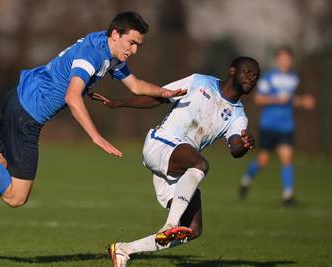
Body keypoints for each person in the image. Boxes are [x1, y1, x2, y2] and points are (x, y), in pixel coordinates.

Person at [0, 12, 186, 220]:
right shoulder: (93, 55)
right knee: (15, 197)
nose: (135, 50)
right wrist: (96, 137)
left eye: (139, 45)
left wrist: (166, 92)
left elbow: (137, 85)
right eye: (132, 43)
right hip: (28, 115)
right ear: (115, 34)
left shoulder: (109, 52)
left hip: (18, 100)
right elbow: (72, 96)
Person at [91, 57, 260, 267]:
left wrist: (244, 144)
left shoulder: (238, 115)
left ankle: (124, 250)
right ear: (232, 70)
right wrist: (119, 103)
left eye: (256, 76)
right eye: (247, 72)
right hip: (161, 144)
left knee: (193, 229)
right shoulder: (199, 82)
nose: (251, 78)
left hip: (181, 167)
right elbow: (160, 97)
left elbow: (235, 148)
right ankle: (169, 224)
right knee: (200, 164)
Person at [239, 47, 315, 205]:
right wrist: (277, 99)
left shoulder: (294, 78)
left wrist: (302, 102)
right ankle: (246, 179)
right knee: (263, 159)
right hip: (269, 125)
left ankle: (288, 195)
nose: (285, 61)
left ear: (291, 60)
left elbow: (290, 99)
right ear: (278, 60)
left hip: (287, 126)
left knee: (287, 158)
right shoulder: (269, 77)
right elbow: (259, 99)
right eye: (282, 58)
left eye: (288, 58)